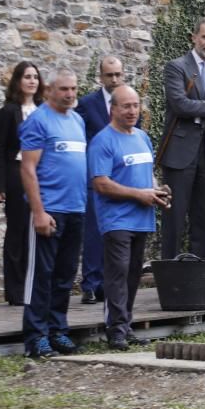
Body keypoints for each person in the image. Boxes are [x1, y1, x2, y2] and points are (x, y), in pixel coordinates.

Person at [87, 85, 168, 351]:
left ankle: (126, 325)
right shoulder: (103, 140)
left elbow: (147, 176)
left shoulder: (143, 138)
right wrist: (139, 195)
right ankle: (115, 330)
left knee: (133, 275)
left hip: (142, 218)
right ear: (113, 108)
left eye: (135, 105)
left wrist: (158, 192)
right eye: (126, 106)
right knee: (117, 274)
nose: (132, 110)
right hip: (116, 219)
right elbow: (101, 184)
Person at [19, 67, 87, 358]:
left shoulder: (78, 121)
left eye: (73, 89)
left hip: (76, 209)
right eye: (63, 89)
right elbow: (28, 169)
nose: (70, 94)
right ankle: (36, 337)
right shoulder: (38, 121)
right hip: (50, 211)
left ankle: (58, 330)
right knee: (41, 276)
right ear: (49, 91)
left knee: (64, 276)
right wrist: (38, 212)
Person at [158, 17, 205, 259]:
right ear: (194, 37)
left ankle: (198, 276)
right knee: (175, 218)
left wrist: (199, 113)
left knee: (204, 218)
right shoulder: (176, 67)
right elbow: (179, 105)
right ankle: (169, 276)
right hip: (180, 154)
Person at [0, 61, 43, 306]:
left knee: (39, 231)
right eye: (27, 77)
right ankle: (16, 291)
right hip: (16, 174)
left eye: (35, 77)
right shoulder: (9, 111)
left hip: (42, 175)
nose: (32, 81)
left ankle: (36, 286)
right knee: (17, 231)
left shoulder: (43, 110)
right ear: (18, 81)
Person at [75, 55, 128, 306]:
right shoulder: (86, 104)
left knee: (116, 232)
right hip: (96, 176)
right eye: (109, 75)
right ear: (101, 76)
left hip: (121, 177)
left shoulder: (129, 103)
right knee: (94, 232)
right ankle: (90, 284)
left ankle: (110, 284)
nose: (114, 79)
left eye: (118, 74)